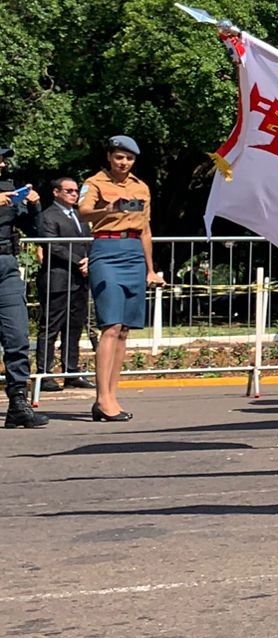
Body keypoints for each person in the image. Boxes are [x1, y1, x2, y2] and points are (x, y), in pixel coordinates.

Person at [77, 135, 163, 423]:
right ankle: (102, 399)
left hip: (133, 252)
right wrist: (109, 209)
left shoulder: (141, 187)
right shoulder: (95, 182)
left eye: (128, 158)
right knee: (110, 325)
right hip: (106, 249)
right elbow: (83, 212)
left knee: (125, 328)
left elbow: (146, 230)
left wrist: (150, 270)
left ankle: (112, 395)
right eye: (119, 157)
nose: (123, 163)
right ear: (110, 157)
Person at [0, 145, 47, 428]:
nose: (3, 165)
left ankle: (18, 401)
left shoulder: (8, 190)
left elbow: (36, 230)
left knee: (17, 336)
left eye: (3, 160)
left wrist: (32, 205)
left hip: (5, 264)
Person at [33, 176, 92, 390]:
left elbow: (88, 241)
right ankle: (45, 373)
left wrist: (90, 261)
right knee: (50, 327)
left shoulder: (80, 216)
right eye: (69, 191)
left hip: (79, 280)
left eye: (76, 190)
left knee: (74, 327)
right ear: (56, 192)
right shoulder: (48, 216)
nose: (74, 194)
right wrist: (78, 261)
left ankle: (71, 371)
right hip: (57, 279)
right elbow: (53, 245)